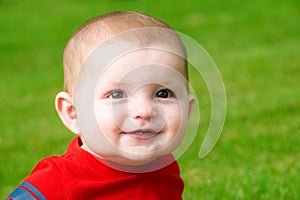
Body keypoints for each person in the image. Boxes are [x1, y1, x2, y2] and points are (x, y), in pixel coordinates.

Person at [7, 11, 195, 199]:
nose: (144, 111)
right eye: (116, 94)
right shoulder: (58, 180)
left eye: (162, 94)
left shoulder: (164, 166)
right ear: (73, 113)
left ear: (188, 109)